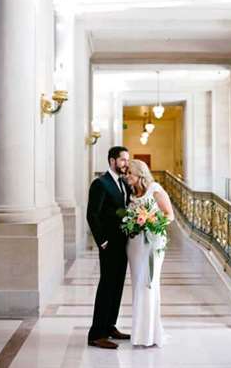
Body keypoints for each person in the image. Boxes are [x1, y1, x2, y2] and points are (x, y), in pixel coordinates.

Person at [126, 159, 174, 347]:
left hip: (152, 244)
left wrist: (151, 223)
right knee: (137, 285)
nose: (127, 175)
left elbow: (170, 215)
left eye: (130, 172)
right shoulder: (131, 194)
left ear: (140, 174)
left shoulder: (154, 189)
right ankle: (139, 333)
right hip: (134, 246)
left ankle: (150, 334)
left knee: (149, 283)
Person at [87, 146, 131, 349]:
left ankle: (110, 326)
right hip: (109, 245)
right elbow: (92, 214)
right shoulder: (100, 183)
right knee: (106, 287)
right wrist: (102, 241)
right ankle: (96, 334)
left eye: (127, 160)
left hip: (123, 244)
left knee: (117, 286)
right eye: (123, 160)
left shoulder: (123, 183)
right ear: (112, 161)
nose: (126, 163)